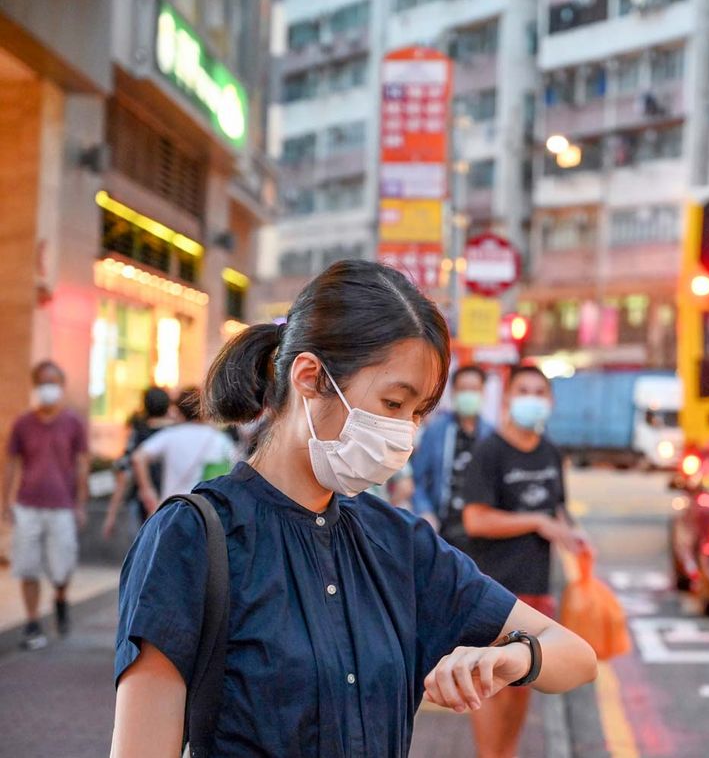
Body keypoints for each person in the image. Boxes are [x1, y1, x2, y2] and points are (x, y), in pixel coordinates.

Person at [110, 260, 596, 758]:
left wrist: (511, 659)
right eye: (392, 403)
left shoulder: (399, 543)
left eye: (417, 412)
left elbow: (576, 657)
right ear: (310, 377)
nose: (405, 432)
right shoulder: (192, 537)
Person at [462, 364, 592, 758]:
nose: (532, 399)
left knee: (523, 683)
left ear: (549, 402)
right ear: (507, 399)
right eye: (524, 390)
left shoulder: (551, 452)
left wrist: (573, 534)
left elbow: (558, 509)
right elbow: (475, 519)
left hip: (536, 591)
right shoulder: (489, 452)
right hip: (494, 593)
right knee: (488, 689)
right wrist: (536, 522)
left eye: (539, 392)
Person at [0, 361, 89, 650]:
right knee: (27, 565)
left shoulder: (73, 423)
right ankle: (32, 621)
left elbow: (81, 465)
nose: (46, 387)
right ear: (35, 385)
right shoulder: (23, 423)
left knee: (62, 566)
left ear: (61, 386)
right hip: (27, 505)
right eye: (41, 381)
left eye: (52, 381)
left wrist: (80, 504)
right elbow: (10, 464)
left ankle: (60, 598)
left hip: (62, 506)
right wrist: (5, 502)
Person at [411, 364, 494, 543]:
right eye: (463, 389)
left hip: (481, 533)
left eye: (474, 389)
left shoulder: (492, 436)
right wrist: (425, 512)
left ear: (483, 392)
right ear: (453, 392)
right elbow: (417, 479)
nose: (468, 394)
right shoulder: (435, 431)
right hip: (442, 529)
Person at [130, 387, 236, 514]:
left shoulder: (170, 435)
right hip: (208, 513)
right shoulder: (218, 438)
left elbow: (138, 458)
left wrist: (148, 492)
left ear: (179, 410)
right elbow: (235, 466)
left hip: (172, 510)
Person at [102, 387, 172, 539]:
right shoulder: (177, 433)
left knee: (142, 551)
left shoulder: (139, 432)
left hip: (141, 501)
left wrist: (111, 514)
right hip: (173, 500)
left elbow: (124, 472)